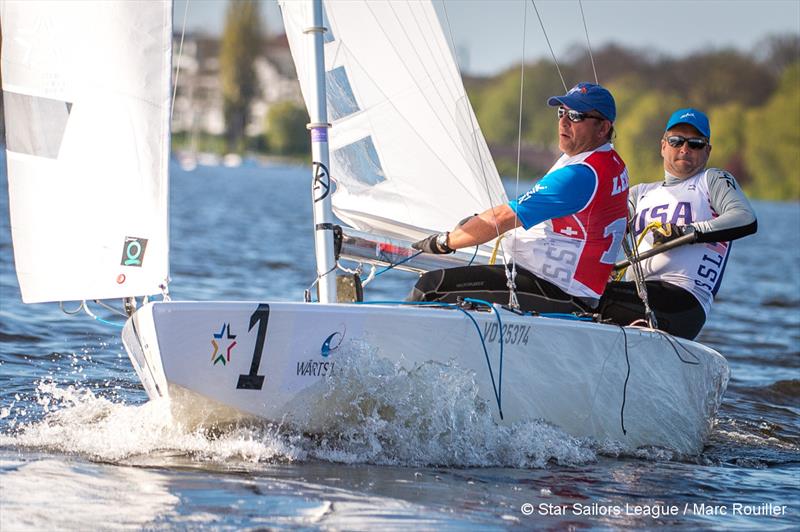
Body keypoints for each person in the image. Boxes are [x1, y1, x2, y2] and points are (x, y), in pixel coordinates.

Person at [411, 82, 630, 314]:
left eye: (576, 116)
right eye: (561, 112)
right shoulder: (609, 161)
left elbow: (502, 218)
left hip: (559, 291)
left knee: (431, 287)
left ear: (603, 127)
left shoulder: (580, 174)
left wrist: (444, 242)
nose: (564, 122)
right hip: (567, 287)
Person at [598, 108, 757, 339]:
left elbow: (745, 218)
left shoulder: (712, 180)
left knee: (589, 297)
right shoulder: (639, 193)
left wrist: (687, 231)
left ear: (708, 151)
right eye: (676, 141)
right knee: (576, 289)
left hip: (683, 302)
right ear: (663, 146)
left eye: (695, 143)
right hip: (639, 295)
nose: (685, 149)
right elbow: (601, 229)